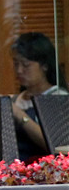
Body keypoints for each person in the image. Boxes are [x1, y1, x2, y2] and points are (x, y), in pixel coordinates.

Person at [10, 32, 68, 163]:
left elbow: (56, 146)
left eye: (26, 65)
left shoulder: (59, 98)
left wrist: (19, 115)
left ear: (44, 66)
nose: (19, 70)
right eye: (16, 64)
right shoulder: (16, 100)